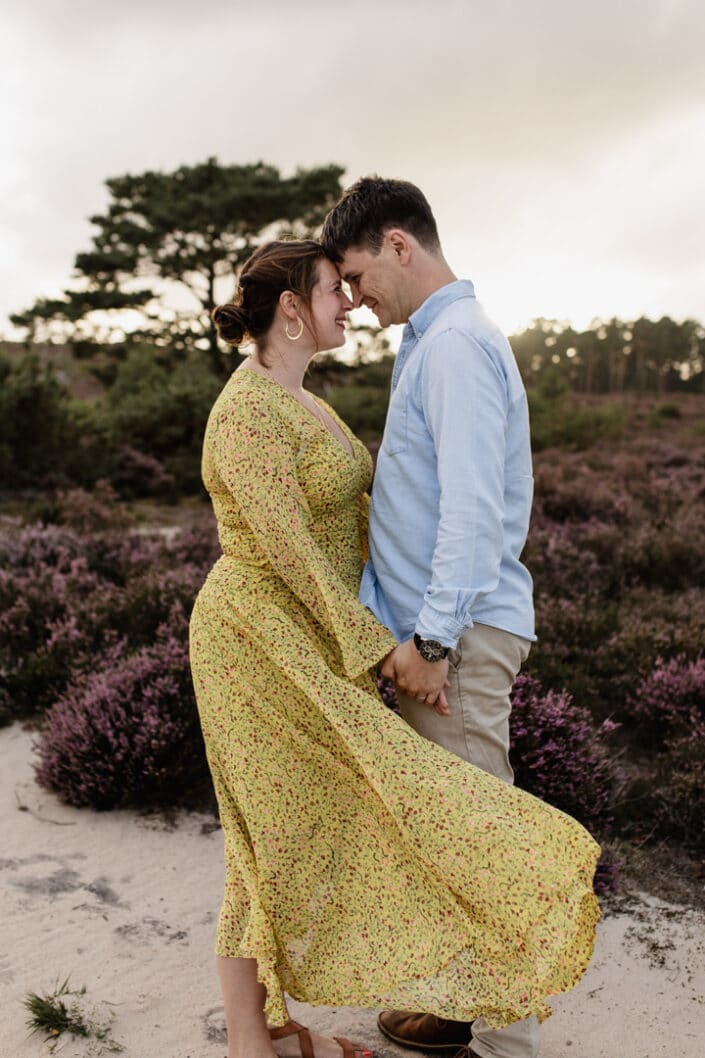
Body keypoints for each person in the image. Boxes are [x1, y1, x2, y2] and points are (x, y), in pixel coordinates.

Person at [189, 238, 600, 1058]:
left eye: (348, 285)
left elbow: (365, 519)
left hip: (313, 637)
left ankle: (276, 1028)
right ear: (292, 308)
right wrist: (384, 650)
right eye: (330, 290)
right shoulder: (246, 410)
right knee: (261, 830)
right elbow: (290, 552)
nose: (347, 303)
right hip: (255, 641)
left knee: (302, 823)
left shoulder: (305, 399)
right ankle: (251, 1039)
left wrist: (403, 629)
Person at [321, 177, 545, 1058]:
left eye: (353, 274)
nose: (350, 297)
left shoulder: (453, 344)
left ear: (398, 247)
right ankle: (455, 1008)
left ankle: (503, 1042)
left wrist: (432, 641)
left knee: (479, 836)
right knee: (440, 833)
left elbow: (472, 510)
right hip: (426, 635)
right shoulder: (432, 341)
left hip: (450, 638)